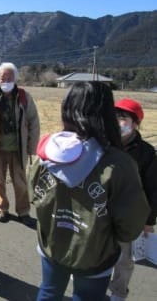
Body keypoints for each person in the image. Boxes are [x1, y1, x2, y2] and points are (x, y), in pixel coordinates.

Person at [27, 81, 150, 301]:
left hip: (52, 245)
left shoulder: (49, 151)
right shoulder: (118, 164)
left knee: (48, 291)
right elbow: (130, 225)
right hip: (95, 253)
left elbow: (33, 195)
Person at [0, 62, 40, 225]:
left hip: (18, 149)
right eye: (3, 78)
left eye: (9, 78)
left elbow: (34, 122)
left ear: (15, 79)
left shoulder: (24, 97)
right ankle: (2, 209)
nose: (6, 81)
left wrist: (32, 147)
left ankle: (23, 211)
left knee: (20, 181)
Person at [109, 98, 157, 301]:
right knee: (95, 253)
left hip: (130, 215)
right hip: (102, 210)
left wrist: (149, 221)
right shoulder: (105, 143)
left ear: (136, 123)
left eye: (123, 117)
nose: (118, 121)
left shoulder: (146, 152)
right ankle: (91, 288)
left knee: (124, 259)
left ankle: (118, 294)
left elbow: (153, 188)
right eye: (116, 116)